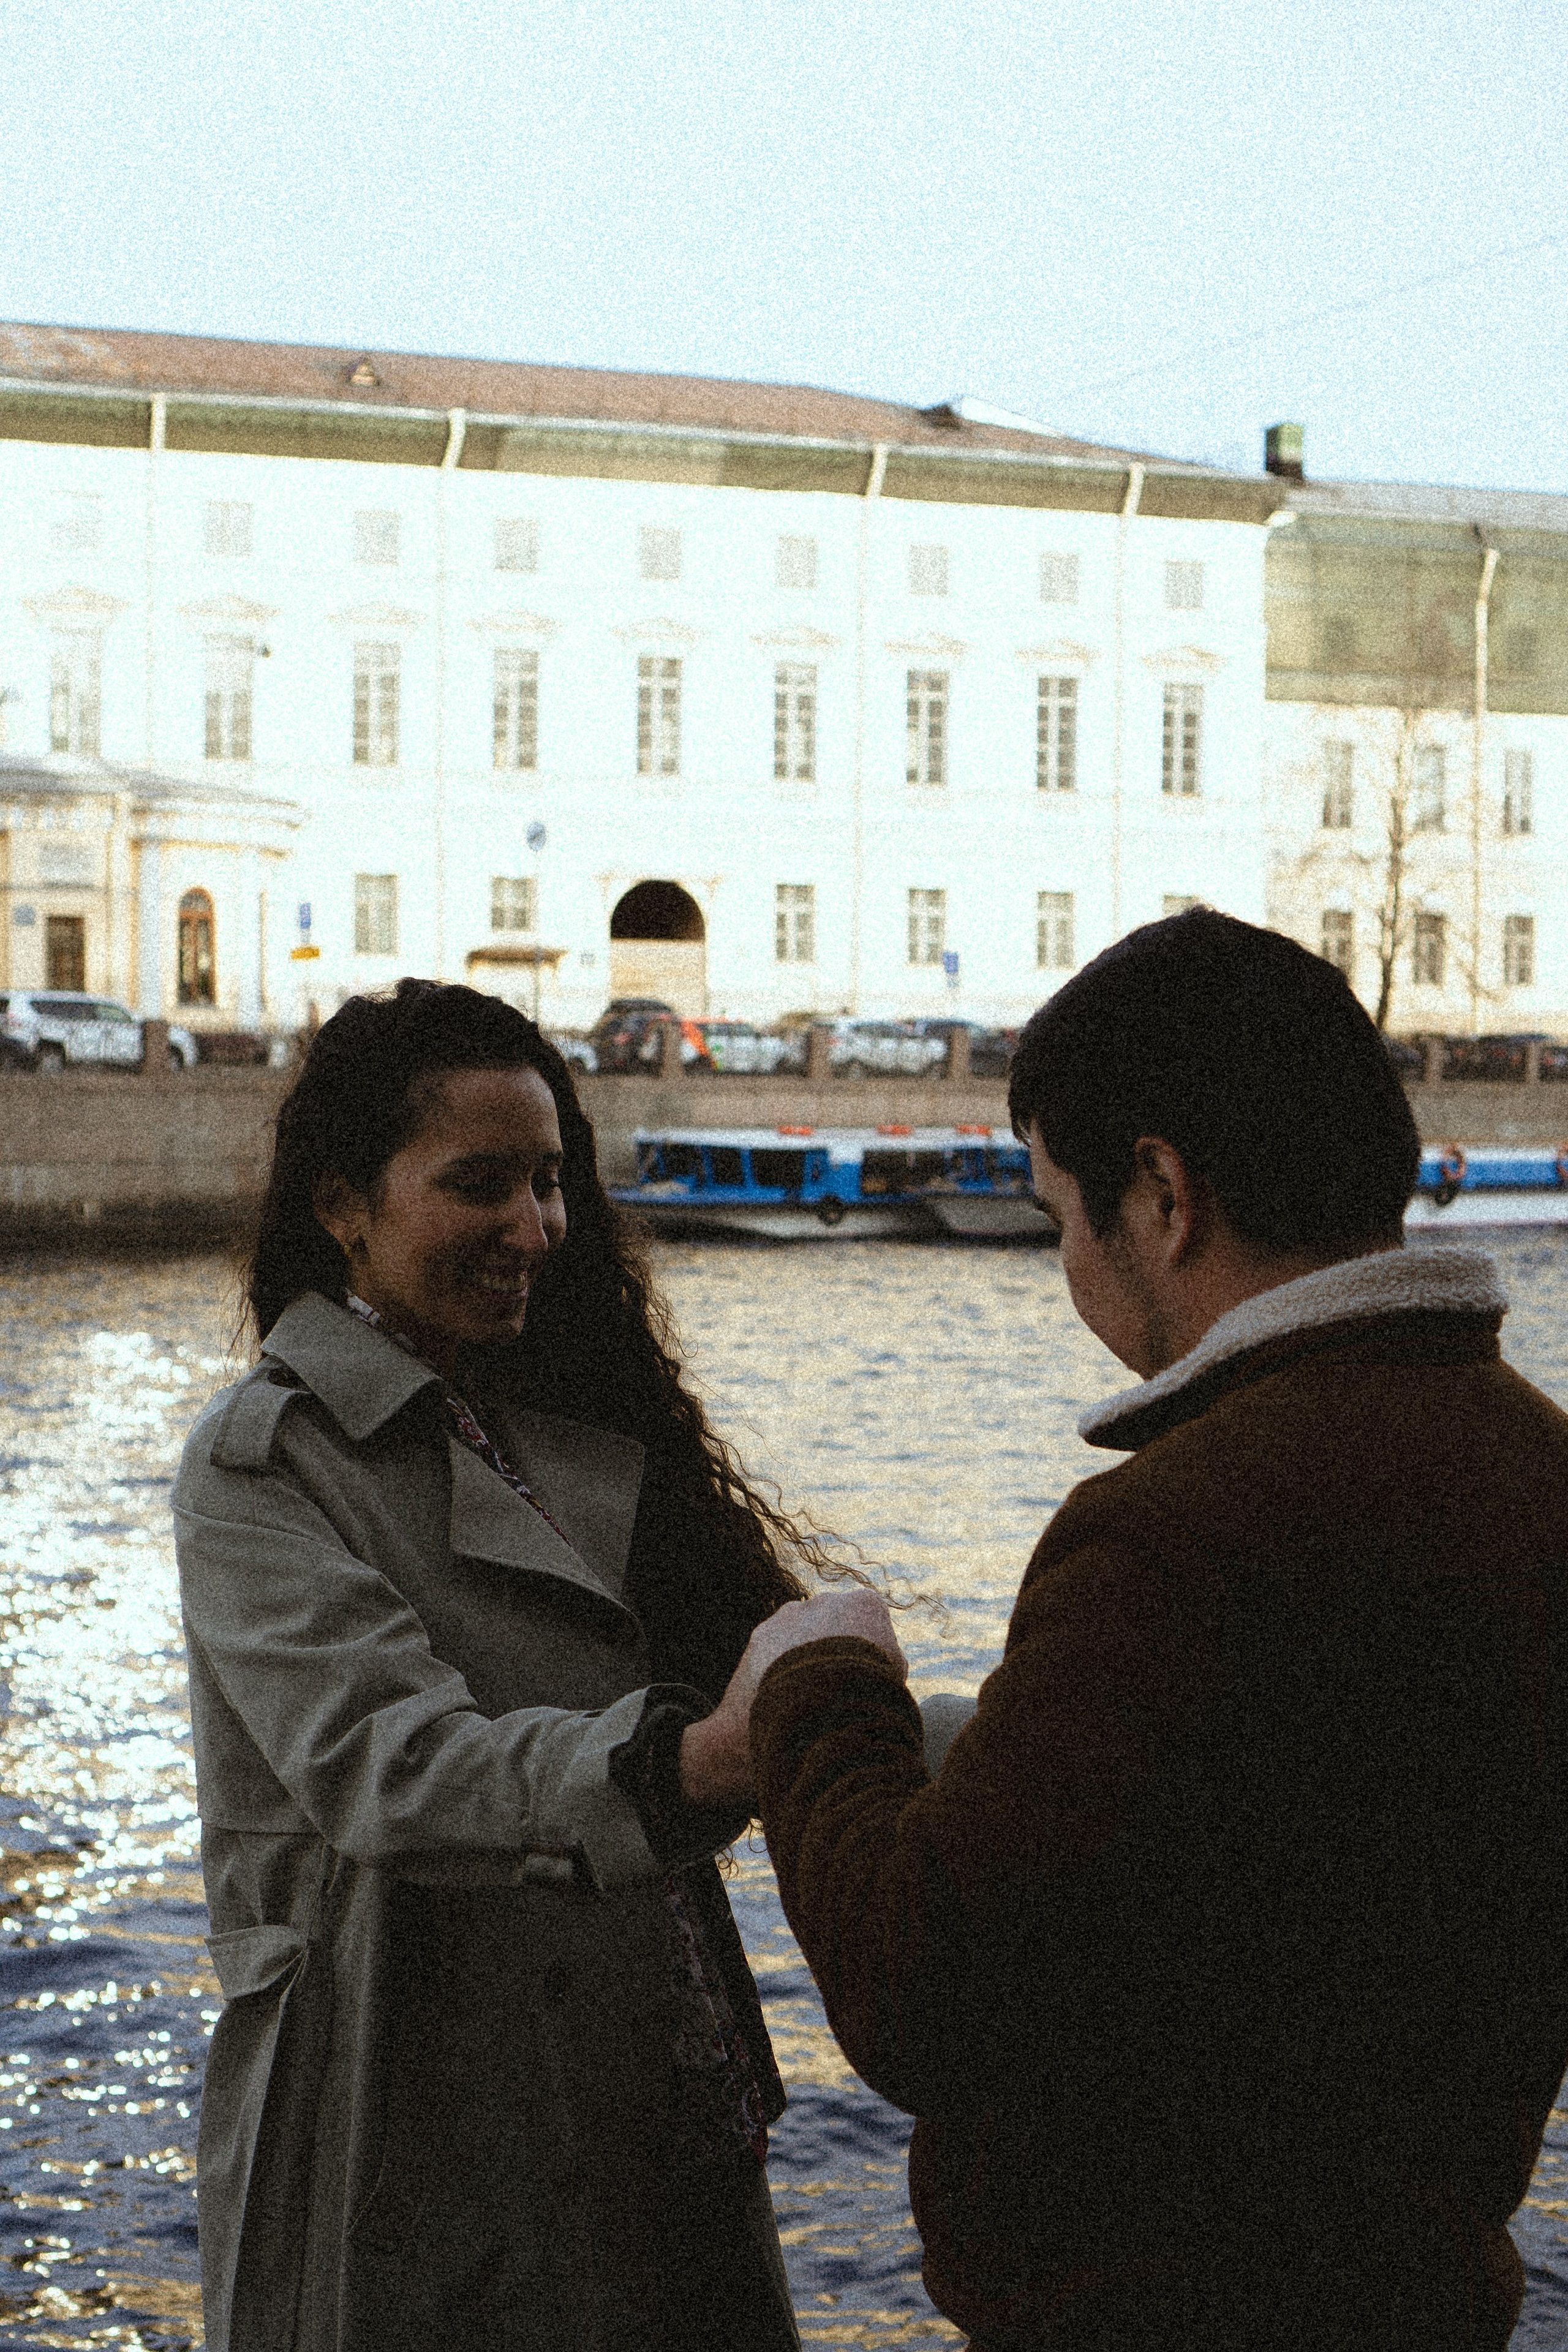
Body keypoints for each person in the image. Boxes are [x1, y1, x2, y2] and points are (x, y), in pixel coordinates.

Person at [683, 911, 1568, 2350]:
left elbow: (928, 1990)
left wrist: (820, 1685)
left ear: (1158, 1193)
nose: (1068, 1268)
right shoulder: (1534, 1465)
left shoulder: (1175, 1530)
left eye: (1056, 1216)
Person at [175, 978, 824, 2352]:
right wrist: (689, 1760)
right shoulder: (260, 1467)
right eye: (480, 1186)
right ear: (344, 1206)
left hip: (643, 2098)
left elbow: (758, 1692)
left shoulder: (554, 1410)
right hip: (410, 2133)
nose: (532, 1229)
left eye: (549, 1182)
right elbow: (395, 1769)